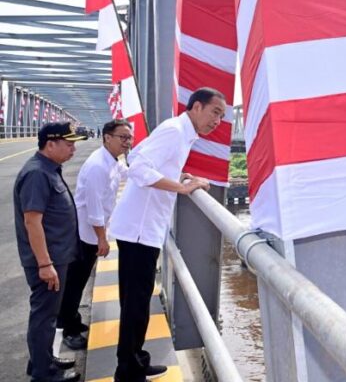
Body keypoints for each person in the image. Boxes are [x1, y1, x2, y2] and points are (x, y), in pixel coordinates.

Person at [108, 87, 224, 382]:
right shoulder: (174, 131)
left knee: (139, 299)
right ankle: (128, 372)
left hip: (144, 228)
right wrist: (182, 187)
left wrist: (182, 178)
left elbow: (148, 161)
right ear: (196, 107)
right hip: (138, 229)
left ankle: (137, 360)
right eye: (215, 113)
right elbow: (137, 165)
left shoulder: (183, 134)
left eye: (222, 116)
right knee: (135, 302)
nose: (218, 121)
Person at [13, 122, 86, 382]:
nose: (73, 149)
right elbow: (32, 221)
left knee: (48, 315)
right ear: (50, 144)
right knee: (44, 317)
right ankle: (44, 375)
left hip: (57, 257)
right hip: (47, 261)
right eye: (69, 144)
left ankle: (42, 362)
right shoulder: (37, 174)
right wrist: (44, 264)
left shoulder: (48, 169)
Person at [57, 120, 132, 350]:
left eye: (129, 138)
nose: (127, 143)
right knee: (74, 283)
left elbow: (128, 174)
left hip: (90, 232)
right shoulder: (97, 166)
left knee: (76, 282)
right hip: (85, 234)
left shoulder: (112, 161)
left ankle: (73, 320)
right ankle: (67, 329)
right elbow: (94, 210)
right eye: (122, 138)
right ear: (107, 137)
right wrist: (102, 239)